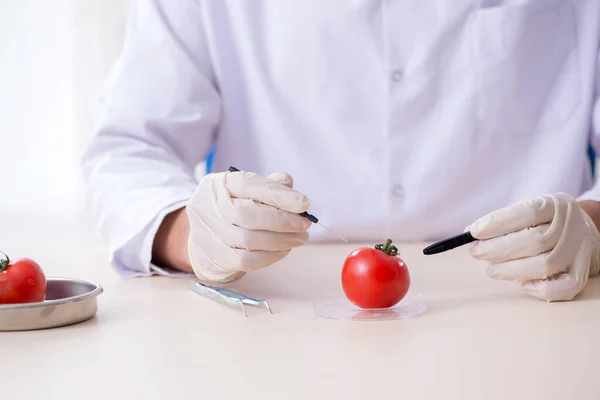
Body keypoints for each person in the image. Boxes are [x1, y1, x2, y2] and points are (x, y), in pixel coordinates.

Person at [81, 0, 600, 302]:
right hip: (281, 314)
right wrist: (193, 234)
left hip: (537, 301)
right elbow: (129, 147)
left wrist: (592, 224)